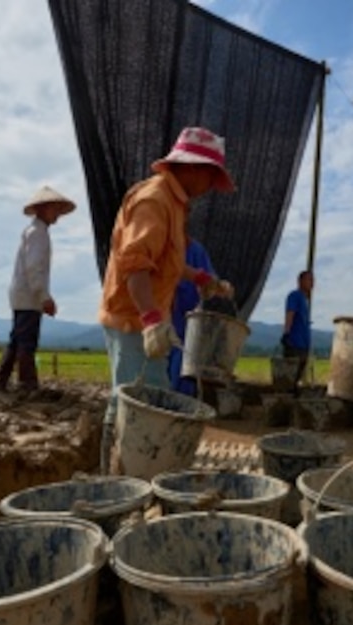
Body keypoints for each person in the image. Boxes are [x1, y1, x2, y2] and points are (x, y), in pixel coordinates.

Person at [97, 126, 236, 473]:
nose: (208, 189)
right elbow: (135, 265)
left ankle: (115, 474)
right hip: (133, 319)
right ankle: (130, 480)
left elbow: (165, 261)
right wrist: (150, 321)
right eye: (210, 177)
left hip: (143, 318)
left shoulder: (172, 204)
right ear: (191, 168)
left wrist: (201, 278)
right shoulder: (155, 201)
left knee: (129, 401)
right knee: (143, 408)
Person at [0, 185, 76, 393]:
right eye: (54, 209)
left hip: (23, 293)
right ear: (42, 208)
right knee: (26, 342)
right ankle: (27, 385)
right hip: (28, 294)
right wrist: (43, 296)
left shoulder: (34, 231)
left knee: (17, 340)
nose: (57, 214)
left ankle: (1, 381)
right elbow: (34, 268)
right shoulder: (38, 233)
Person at [168, 239, 216, 396]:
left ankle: (182, 402)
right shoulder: (160, 246)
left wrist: (213, 287)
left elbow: (209, 284)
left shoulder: (196, 251)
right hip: (163, 316)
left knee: (186, 363)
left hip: (189, 321)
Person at [281, 270, 313, 394]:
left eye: (312, 280)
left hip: (304, 344)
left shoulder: (305, 300)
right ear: (300, 281)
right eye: (309, 280)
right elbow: (290, 314)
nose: (312, 283)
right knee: (290, 377)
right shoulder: (294, 296)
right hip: (295, 343)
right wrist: (286, 333)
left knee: (298, 377)